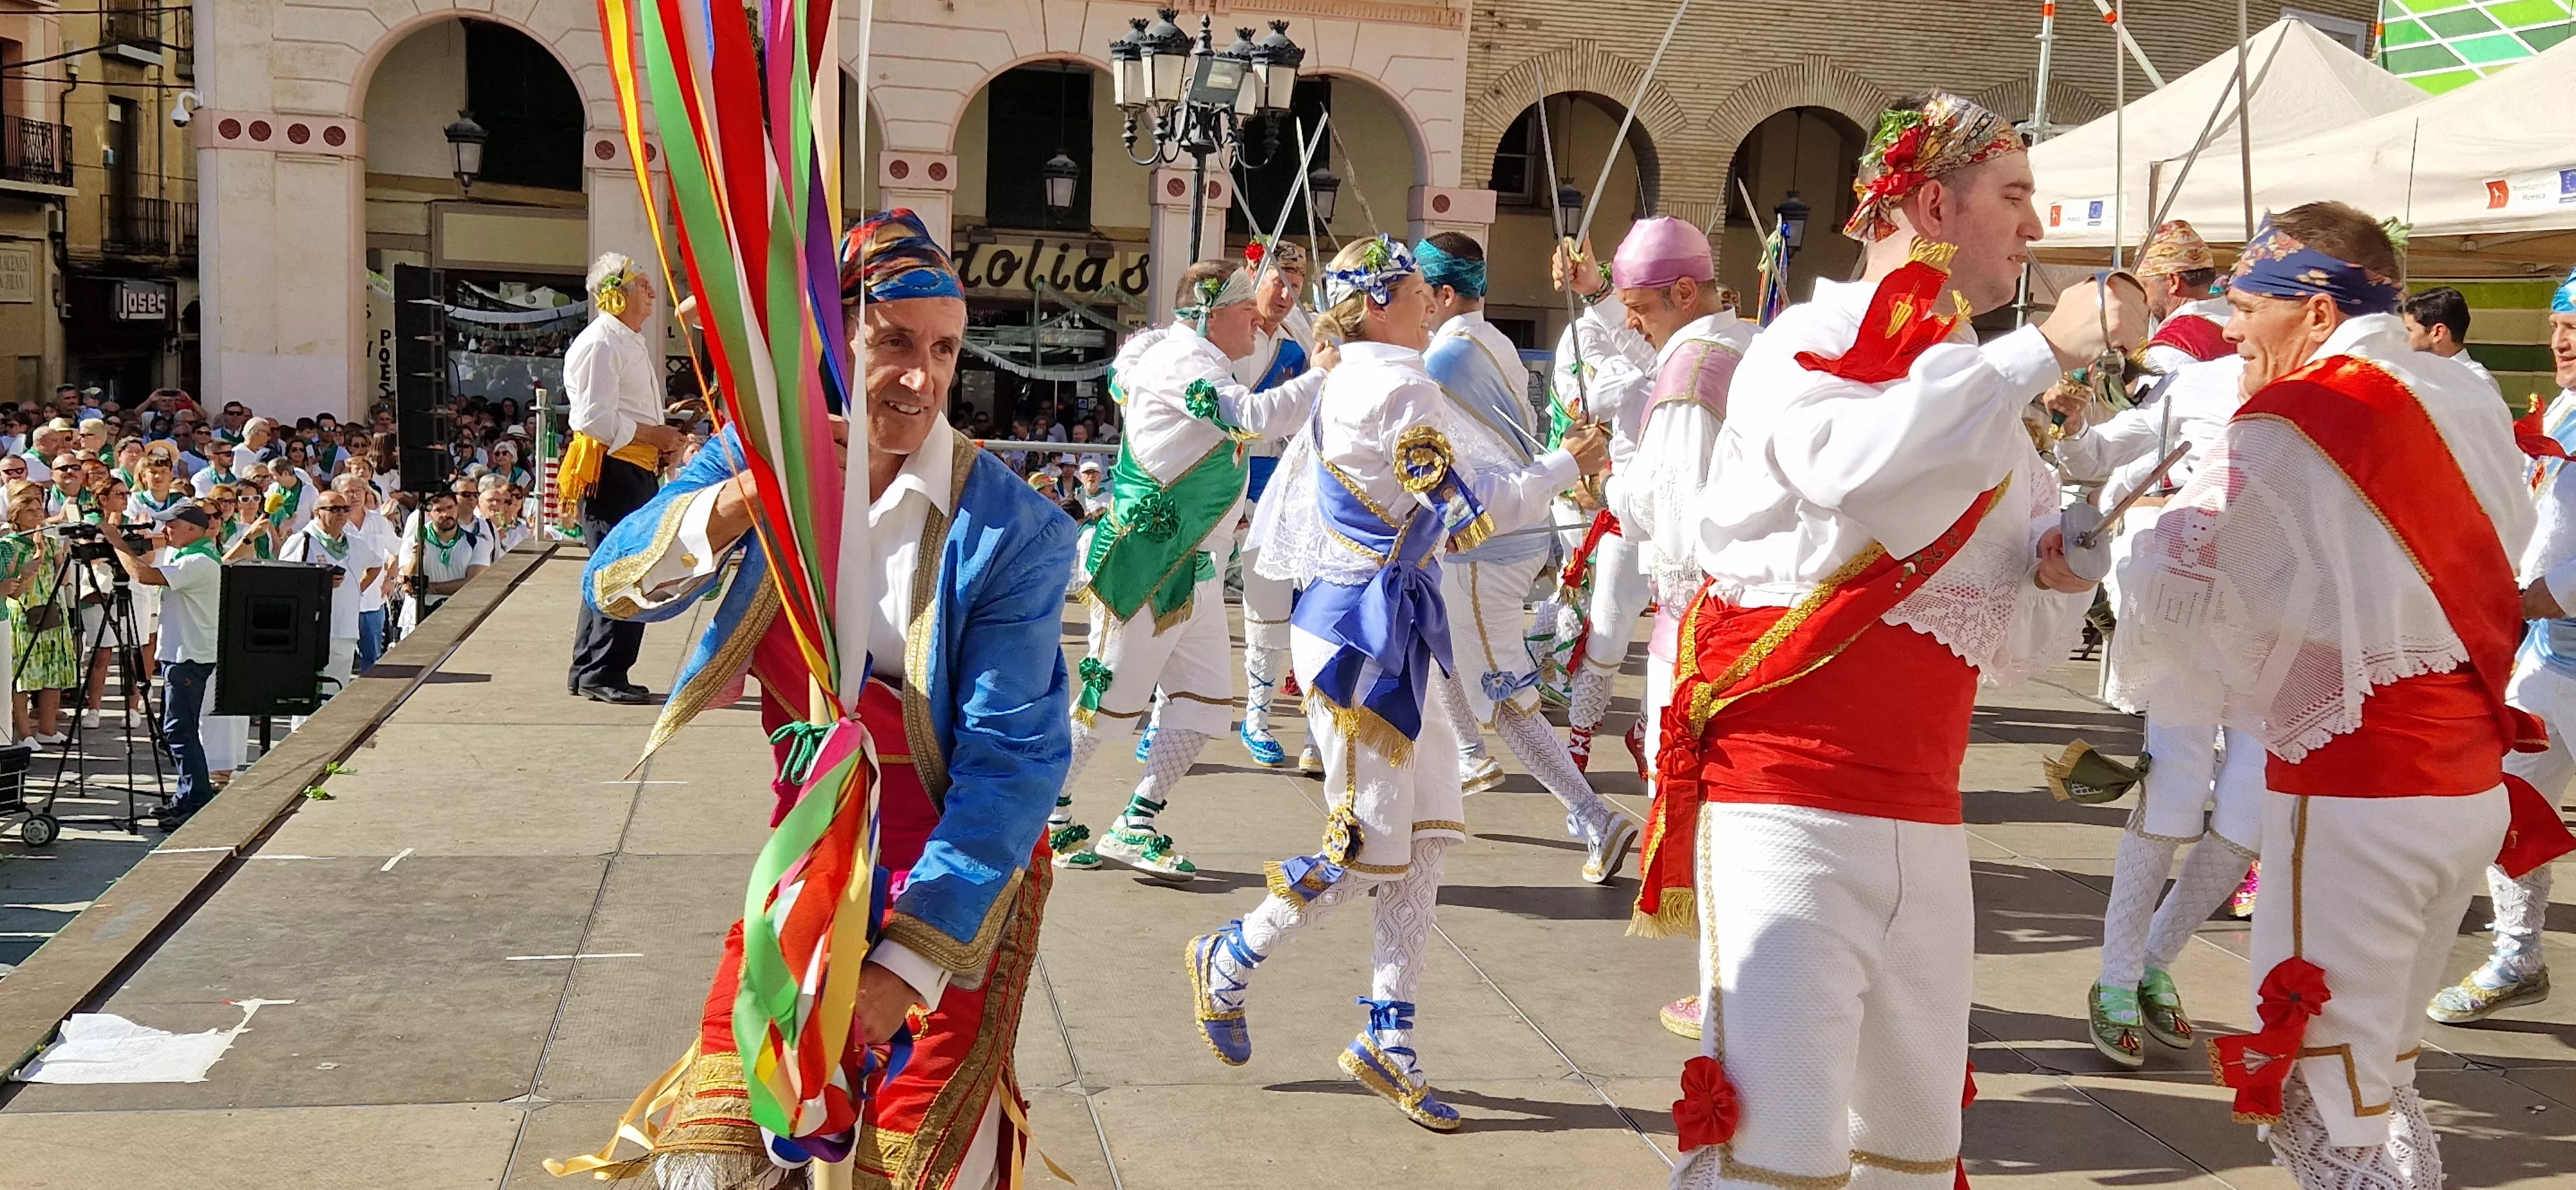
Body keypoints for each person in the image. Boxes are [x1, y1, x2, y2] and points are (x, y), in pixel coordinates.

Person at [1648, 92, 2128, 1189]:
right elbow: (1850, 466)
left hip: (1926, 816)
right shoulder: (1803, 344)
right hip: (1787, 803)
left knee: (1914, 1150)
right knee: (1778, 1152)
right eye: (2014, 196)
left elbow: (2012, 645)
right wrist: (2043, 350)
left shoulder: (1980, 399)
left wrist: (2065, 561)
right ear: (1929, 204)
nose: (2036, 226)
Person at [573, 209, 1075, 1190]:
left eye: (943, 349)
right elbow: (614, 581)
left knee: (908, 1167)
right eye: (893, 341)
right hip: (806, 869)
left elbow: (1011, 770)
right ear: (829, 339)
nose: (922, 378)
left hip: (955, 872)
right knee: (710, 1164)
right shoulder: (758, 457)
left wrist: (904, 969)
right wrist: (755, 492)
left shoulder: (1019, 532)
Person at [2119, 204, 2552, 1188]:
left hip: (2359, 793)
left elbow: (2211, 603)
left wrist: (2138, 547)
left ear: (2315, 312)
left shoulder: (2298, 417)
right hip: (2465, 786)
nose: (2231, 333)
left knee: (2323, 1094)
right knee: (2382, 1075)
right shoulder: (2467, 388)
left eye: (2244, 308)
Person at [1185, 235, 1609, 1129]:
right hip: (1362, 642)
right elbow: (1465, 514)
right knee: (1366, 847)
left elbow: (1446, 502)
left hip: (1384, 631)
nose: (1433, 305)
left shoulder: (1361, 377)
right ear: (1381, 302)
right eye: (1418, 292)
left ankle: (1391, 1033)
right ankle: (1232, 953)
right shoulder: (1401, 384)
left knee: (1427, 839)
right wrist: (1572, 466)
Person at [1045, 259, 1330, 880]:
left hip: (1194, 564)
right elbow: (1251, 419)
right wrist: (1323, 375)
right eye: (1245, 309)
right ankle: (1046, 814)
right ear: (1207, 314)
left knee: (1203, 704)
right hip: (1144, 563)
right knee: (1107, 700)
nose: (1257, 320)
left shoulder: (1196, 360)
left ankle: (1136, 822)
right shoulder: (1182, 363)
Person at [1413, 231, 1636, 882]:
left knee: (1506, 690)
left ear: (1445, 293)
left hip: (1487, 542)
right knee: (1437, 653)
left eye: (1422, 293)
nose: (1418, 305)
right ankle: (1465, 760)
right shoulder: (1494, 340)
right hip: (1502, 529)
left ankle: (1593, 815)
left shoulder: (1443, 359)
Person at [2428, 267, 2576, 1025]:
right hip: (2552, 659)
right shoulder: (2565, 407)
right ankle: (2518, 955)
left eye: (2575, 324)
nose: (2562, 338)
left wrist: (2524, 599)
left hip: (2548, 626)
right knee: (2506, 804)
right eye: (2557, 323)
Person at [1551, 234, 1662, 773]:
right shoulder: (1595, 340)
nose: (1635, 316)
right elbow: (1592, 391)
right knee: (1610, 629)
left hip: (1692, 527)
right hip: (1620, 511)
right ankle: (1579, 738)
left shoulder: (1712, 346)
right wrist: (1596, 293)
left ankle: (1649, 731)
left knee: (1683, 640)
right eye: (1631, 302)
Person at [561, 251, 681, 705]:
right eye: (644, 285)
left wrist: (659, 438)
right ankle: (604, 670)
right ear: (617, 294)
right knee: (624, 567)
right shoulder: (601, 343)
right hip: (613, 468)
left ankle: (591, 666)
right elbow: (593, 418)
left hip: (633, 464)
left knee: (611, 565)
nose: (653, 294)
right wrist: (654, 433)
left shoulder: (623, 340)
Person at [1231, 236, 1316, 770]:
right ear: (1253, 276)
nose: (1287, 294)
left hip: (1280, 483)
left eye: (1297, 284)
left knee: (1278, 603)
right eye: (1278, 282)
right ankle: (1163, 712)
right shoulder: (1222, 330)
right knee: (1183, 605)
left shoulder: (1300, 334)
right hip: (1219, 479)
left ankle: (1258, 717)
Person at [100, 503, 222, 829]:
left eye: (173, 525)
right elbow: (153, 549)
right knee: (176, 730)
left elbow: (143, 574)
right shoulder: (188, 554)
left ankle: (197, 799)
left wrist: (115, 541)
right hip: (180, 653)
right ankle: (186, 795)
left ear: (192, 530)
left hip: (189, 656)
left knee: (180, 731)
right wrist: (130, 535)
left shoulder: (198, 561)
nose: (166, 531)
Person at [279, 486, 386, 702]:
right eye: (334, 509)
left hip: (345, 630)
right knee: (308, 693)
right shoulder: (303, 541)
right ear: (317, 512)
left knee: (336, 692)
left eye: (345, 509)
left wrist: (357, 588)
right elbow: (285, 581)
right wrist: (320, 583)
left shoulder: (355, 543)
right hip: (313, 630)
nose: (341, 514)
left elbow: (376, 564)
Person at [2, 481, 72, 744]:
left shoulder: (52, 541)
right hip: (23, 614)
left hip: (52, 609)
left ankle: (48, 729)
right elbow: (14, 587)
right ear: (16, 517)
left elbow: (63, 581)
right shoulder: (9, 545)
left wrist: (61, 556)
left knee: (52, 673)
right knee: (23, 677)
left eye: (39, 509)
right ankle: (25, 733)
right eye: (30, 511)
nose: (38, 515)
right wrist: (39, 554)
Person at [397, 491, 492, 631]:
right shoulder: (413, 542)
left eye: (450, 508)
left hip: (459, 617)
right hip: (418, 618)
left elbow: (473, 583)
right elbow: (409, 579)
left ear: (457, 508)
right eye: (439, 510)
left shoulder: (476, 543)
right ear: (429, 513)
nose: (446, 514)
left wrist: (430, 588)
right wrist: (416, 558)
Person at [337, 475, 399, 672]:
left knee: (372, 659)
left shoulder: (379, 521)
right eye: (349, 492)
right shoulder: (335, 523)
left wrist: (391, 579)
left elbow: (397, 551)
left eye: (359, 491)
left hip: (373, 602)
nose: (355, 495)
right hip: (343, 603)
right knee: (341, 659)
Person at [2401, 285, 2495, 390]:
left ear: (2438, 333)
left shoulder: (2476, 382)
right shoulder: (2413, 373)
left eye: (2409, 330)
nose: (2403, 337)